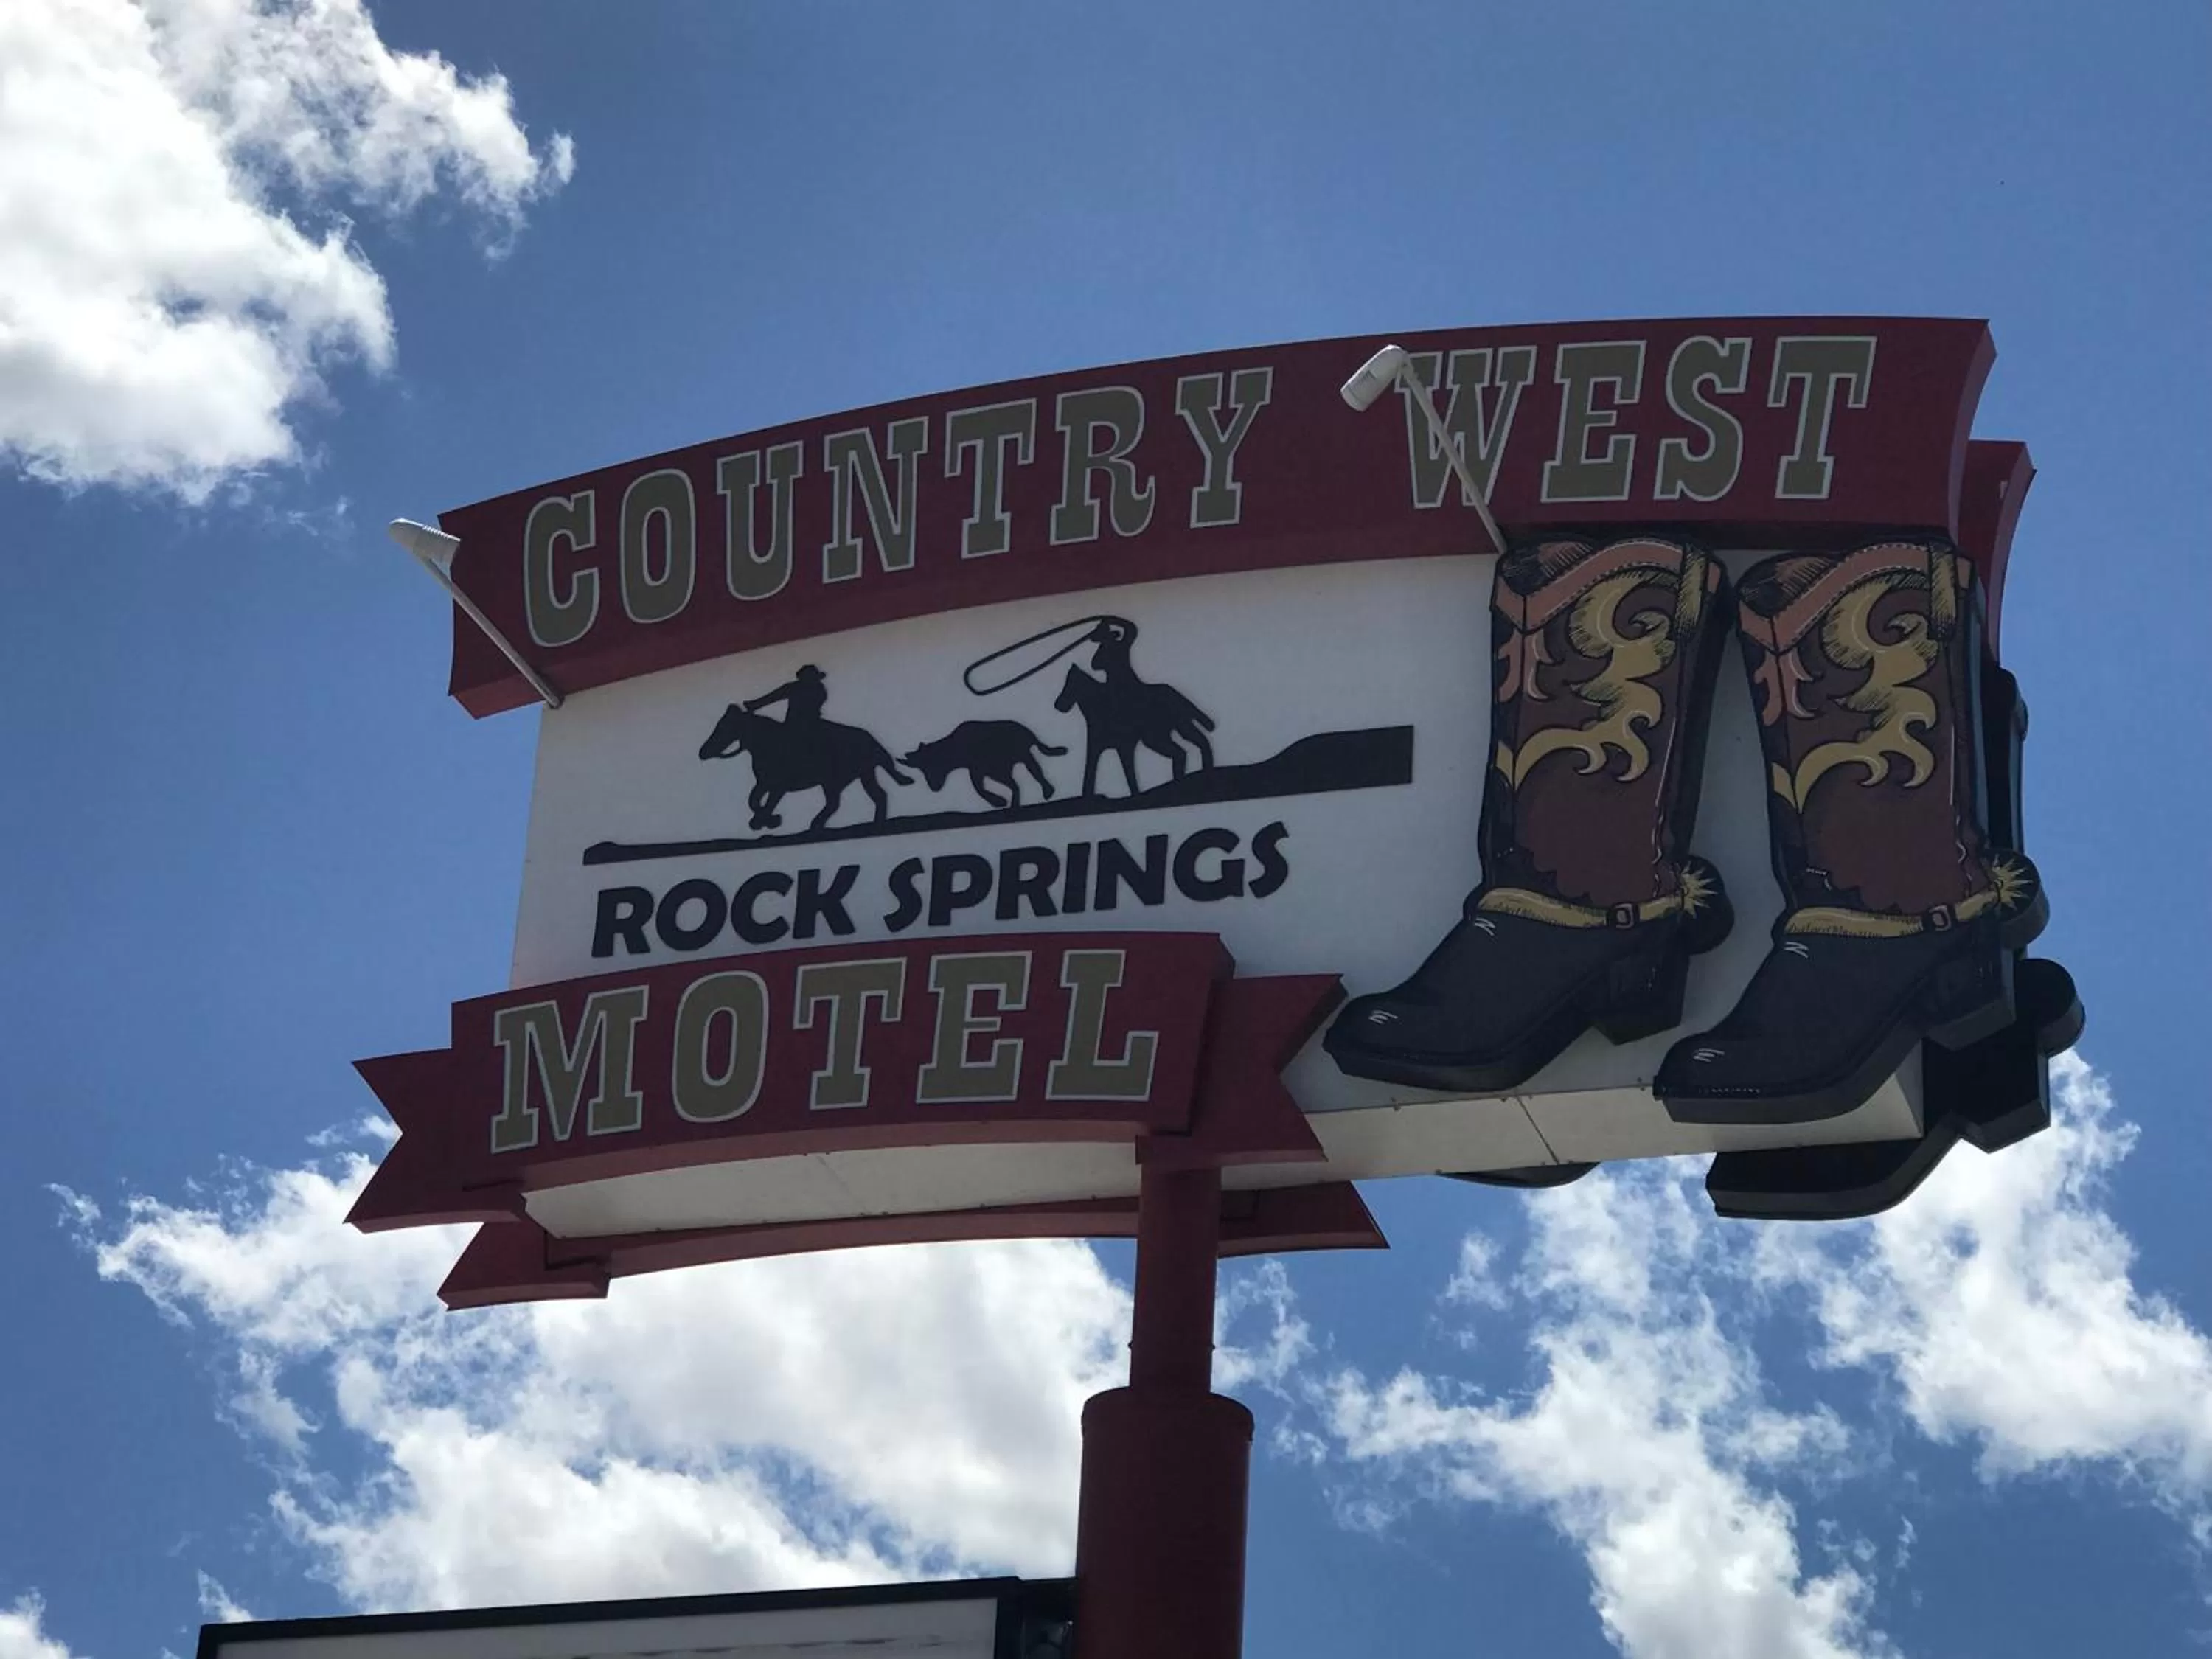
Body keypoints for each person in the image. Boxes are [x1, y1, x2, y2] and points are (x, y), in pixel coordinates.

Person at [744, 664, 827, 723]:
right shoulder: (820, 688)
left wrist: (754, 705)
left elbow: (773, 697)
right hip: (814, 721)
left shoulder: (796, 687)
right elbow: (774, 696)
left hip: (795, 723)